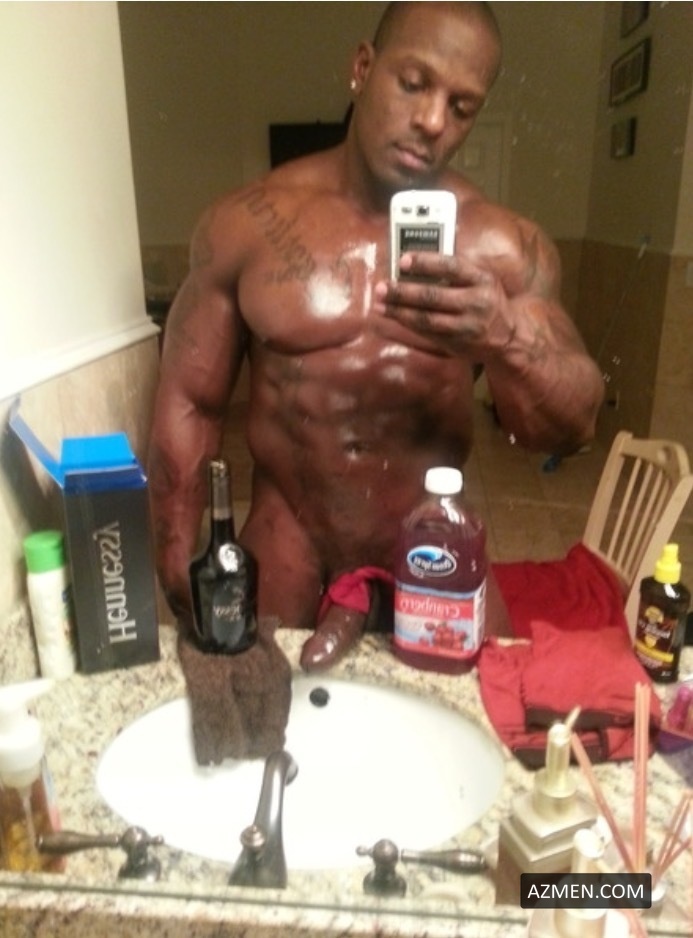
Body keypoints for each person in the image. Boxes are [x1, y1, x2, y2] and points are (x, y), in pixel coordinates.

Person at [148, 1, 605, 674]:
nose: (433, 121)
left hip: (431, 545)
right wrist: (175, 555)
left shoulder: (503, 246)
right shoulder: (246, 225)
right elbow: (192, 402)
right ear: (362, 68)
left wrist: (504, 336)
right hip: (287, 540)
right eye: (414, 83)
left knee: (476, 724)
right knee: (268, 716)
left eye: (461, 107)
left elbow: (573, 424)